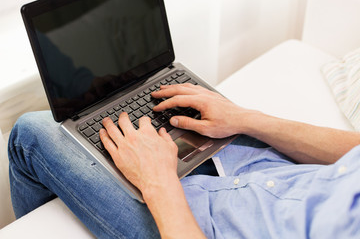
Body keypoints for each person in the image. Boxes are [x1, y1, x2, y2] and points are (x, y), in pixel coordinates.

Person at [8, 83, 360, 238]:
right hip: (270, 172)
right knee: (140, 98)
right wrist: (247, 118)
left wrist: (158, 181)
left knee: (30, 133)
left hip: (191, 226)